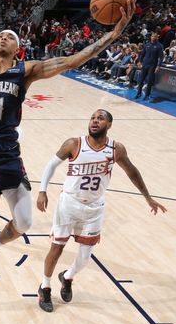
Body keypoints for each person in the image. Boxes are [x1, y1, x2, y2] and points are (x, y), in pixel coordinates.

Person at [0, 2, 136, 299]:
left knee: (24, 222)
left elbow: (73, 60)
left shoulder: (26, 71)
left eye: (10, 37)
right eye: (1, 36)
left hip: (6, 151)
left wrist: (112, 34)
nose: (3, 38)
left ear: (18, 49)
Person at [35, 109, 167, 311]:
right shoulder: (74, 143)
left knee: (85, 257)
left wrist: (147, 197)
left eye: (101, 118)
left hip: (94, 208)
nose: (95, 121)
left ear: (109, 125)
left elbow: (132, 172)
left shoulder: (116, 149)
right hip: (69, 204)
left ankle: (68, 276)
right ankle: (44, 287)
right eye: (93, 118)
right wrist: (42, 191)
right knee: (57, 247)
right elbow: (50, 166)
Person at [135, 32, 164, 100]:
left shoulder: (159, 46)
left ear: (157, 38)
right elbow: (142, 54)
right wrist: (139, 61)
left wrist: (158, 66)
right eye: (152, 36)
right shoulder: (147, 44)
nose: (153, 37)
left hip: (152, 65)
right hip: (145, 64)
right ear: (151, 37)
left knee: (149, 81)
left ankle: (147, 95)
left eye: (155, 36)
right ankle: (138, 93)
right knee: (141, 80)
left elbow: (161, 57)